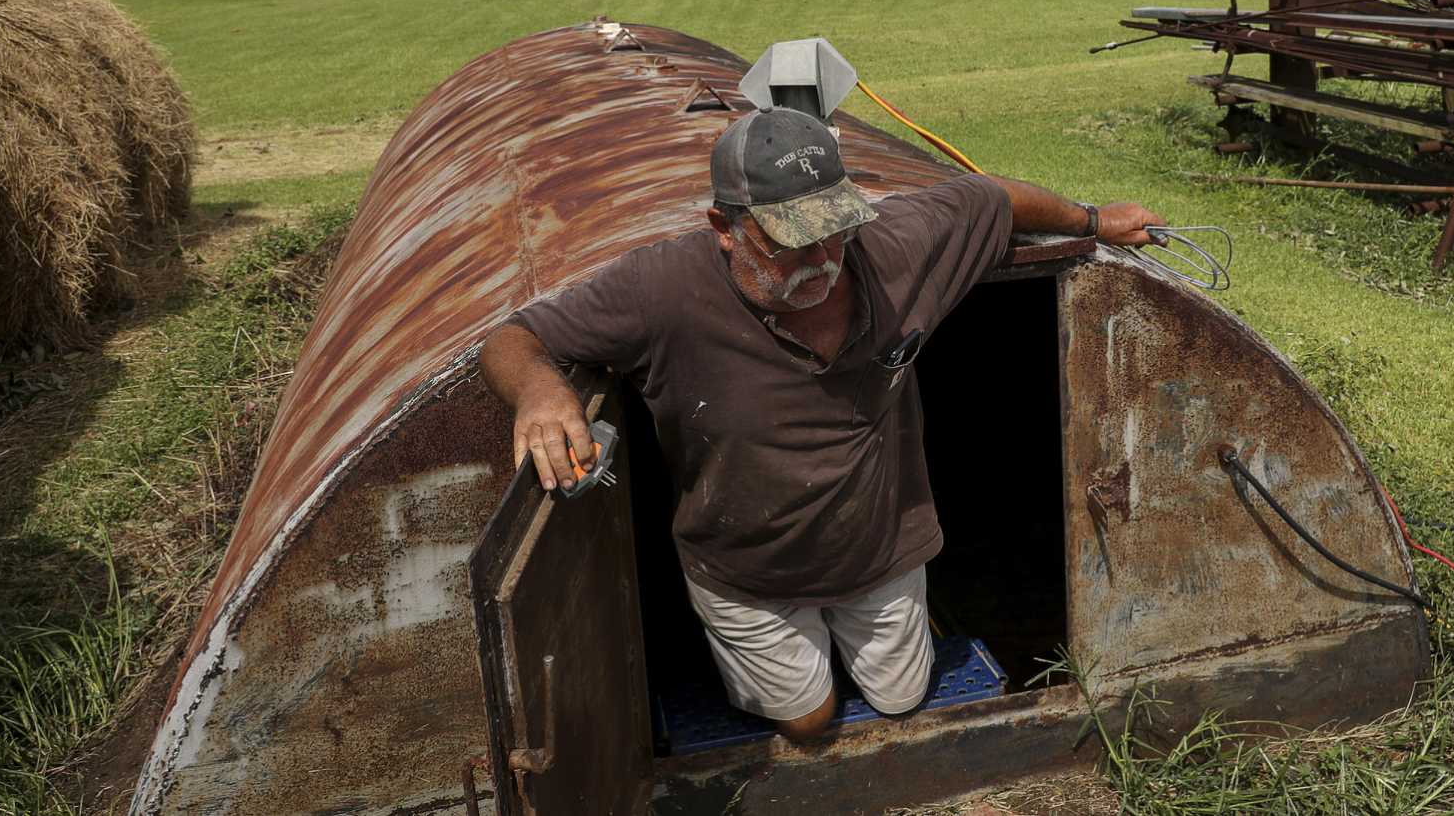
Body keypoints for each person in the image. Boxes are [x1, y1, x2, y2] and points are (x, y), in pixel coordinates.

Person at [479, 104, 1162, 742]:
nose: (822, 261)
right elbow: (512, 338)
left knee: (900, 698)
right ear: (725, 228)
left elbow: (991, 199)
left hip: (881, 544)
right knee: (810, 721)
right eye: (792, 242)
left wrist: (1093, 221)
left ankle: (888, 635)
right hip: (746, 567)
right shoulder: (660, 290)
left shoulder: (892, 249)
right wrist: (540, 390)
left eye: (834, 229)